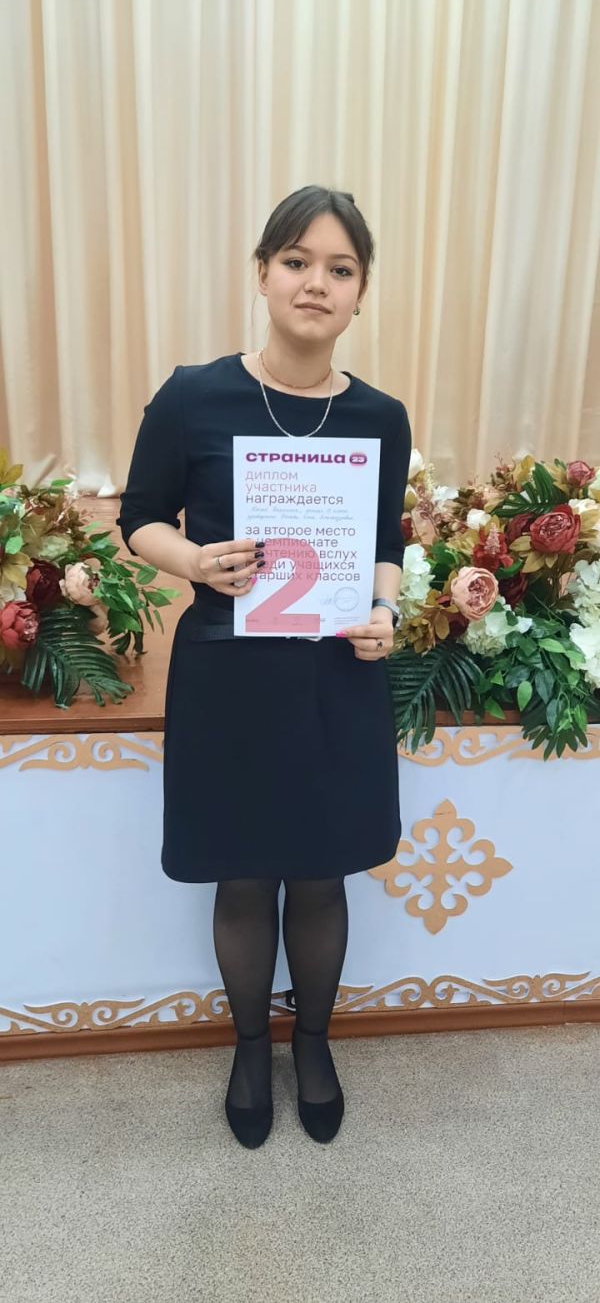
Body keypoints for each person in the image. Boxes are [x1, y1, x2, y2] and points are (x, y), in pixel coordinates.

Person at [117, 185, 412, 1150]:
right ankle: (252, 1048)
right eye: (296, 261)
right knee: (243, 878)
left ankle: (313, 1043)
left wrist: (385, 612)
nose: (315, 282)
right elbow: (139, 519)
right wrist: (195, 561)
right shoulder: (192, 395)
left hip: (337, 677)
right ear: (261, 274)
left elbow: (384, 541)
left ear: (360, 292)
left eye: (340, 268)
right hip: (229, 677)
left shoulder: (380, 415)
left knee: (320, 875)